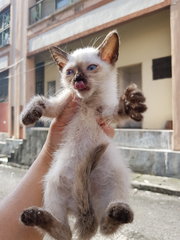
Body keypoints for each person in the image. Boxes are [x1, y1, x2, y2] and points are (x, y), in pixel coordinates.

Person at [0, 95, 114, 240]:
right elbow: (53, 107)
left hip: (88, 169)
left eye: (91, 69)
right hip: (68, 165)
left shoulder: (103, 93)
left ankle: (107, 221)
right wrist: (39, 108)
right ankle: (60, 226)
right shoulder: (71, 95)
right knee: (53, 184)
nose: (79, 77)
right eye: (70, 72)